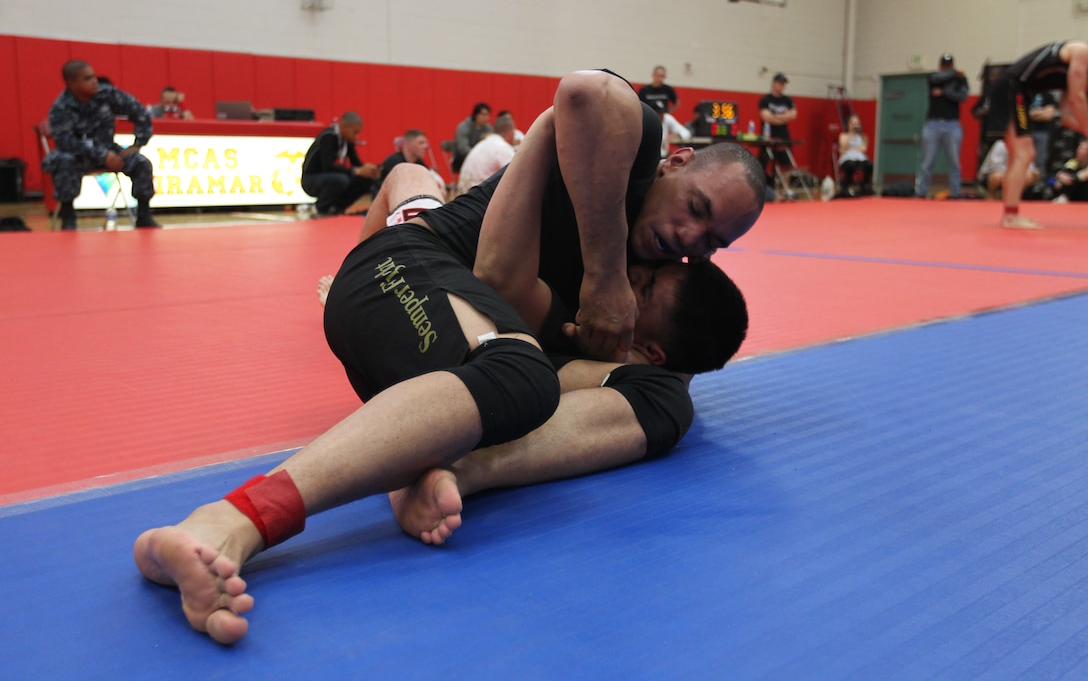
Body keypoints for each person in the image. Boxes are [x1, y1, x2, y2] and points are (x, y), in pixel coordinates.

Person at [133, 70, 764, 644]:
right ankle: (229, 520)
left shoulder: (599, 314)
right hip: (406, 273)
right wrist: (605, 274)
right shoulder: (622, 176)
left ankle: (436, 461)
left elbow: (514, 291)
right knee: (522, 375)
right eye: (696, 209)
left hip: (417, 308)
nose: (688, 238)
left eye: (711, 243)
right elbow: (586, 96)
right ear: (675, 161)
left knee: (531, 359)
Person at [42, 60, 160, 230]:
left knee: (141, 163)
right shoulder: (60, 107)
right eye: (87, 78)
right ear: (72, 83)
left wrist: (139, 143)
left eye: (94, 76)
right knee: (63, 161)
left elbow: (139, 111)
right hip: (78, 155)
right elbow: (65, 141)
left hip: (109, 149)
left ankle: (143, 216)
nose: (94, 81)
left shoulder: (107, 94)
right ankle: (68, 217)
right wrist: (101, 154)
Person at [988, 40, 1088, 228]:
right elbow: (1077, 99)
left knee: (1023, 154)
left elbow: (1067, 117)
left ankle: (1010, 214)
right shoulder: (1082, 53)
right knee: (1023, 153)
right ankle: (1010, 217)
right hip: (1012, 88)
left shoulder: (1073, 77)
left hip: (1019, 92)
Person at [300, 112, 381, 216]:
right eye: (355, 132)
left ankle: (337, 208)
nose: (357, 136)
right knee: (341, 179)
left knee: (366, 180)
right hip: (311, 179)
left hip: (330, 177)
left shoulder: (346, 140)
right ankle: (320, 208)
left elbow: (356, 163)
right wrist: (356, 171)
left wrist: (368, 170)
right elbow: (327, 166)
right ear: (344, 127)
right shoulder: (328, 136)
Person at [915, 53, 969, 199]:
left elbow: (962, 97)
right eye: (945, 66)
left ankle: (955, 193)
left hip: (952, 124)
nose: (946, 68)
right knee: (927, 162)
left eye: (949, 65)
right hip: (933, 124)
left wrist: (944, 92)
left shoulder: (961, 79)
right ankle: (921, 192)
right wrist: (953, 74)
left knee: (954, 162)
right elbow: (936, 79)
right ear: (940, 66)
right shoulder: (934, 77)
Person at [456, 111, 518, 193]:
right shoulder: (503, 147)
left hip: (465, 193)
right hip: (477, 196)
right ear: (511, 134)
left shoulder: (484, 143)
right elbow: (516, 176)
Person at [373, 129, 442, 195]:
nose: (425, 146)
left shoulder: (419, 162)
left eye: (425, 143)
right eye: (421, 143)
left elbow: (436, 181)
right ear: (409, 145)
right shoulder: (395, 162)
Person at [758, 73, 797, 188]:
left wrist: (775, 117)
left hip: (783, 136)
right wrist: (783, 117)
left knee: (786, 164)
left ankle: (786, 189)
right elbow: (766, 117)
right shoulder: (765, 100)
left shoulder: (788, 100)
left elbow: (793, 115)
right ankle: (761, 188)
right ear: (773, 83)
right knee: (762, 163)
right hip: (768, 136)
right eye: (779, 83)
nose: (781, 86)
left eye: (783, 84)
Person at [837, 114, 873, 197]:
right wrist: (851, 136)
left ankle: (866, 185)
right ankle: (846, 185)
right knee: (850, 166)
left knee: (869, 165)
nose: (855, 125)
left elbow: (863, 148)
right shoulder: (844, 136)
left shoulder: (863, 137)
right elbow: (844, 147)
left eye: (857, 124)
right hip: (848, 158)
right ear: (849, 125)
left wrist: (852, 149)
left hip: (860, 157)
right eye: (853, 124)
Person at [451, 102, 493, 172]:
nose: (486, 118)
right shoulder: (464, 127)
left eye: (487, 115)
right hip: (463, 157)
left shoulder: (489, 129)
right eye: (483, 114)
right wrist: (477, 155)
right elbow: (462, 148)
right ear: (475, 115)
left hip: (481, 157)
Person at [1052, 139, 1088, 203]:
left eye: (1083, 149)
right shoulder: (1074, 161)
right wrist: (1060, 177)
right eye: (1079, 148)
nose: (1079, 151)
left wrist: (1070, 178)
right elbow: (1063, 172)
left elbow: (1081, 176)